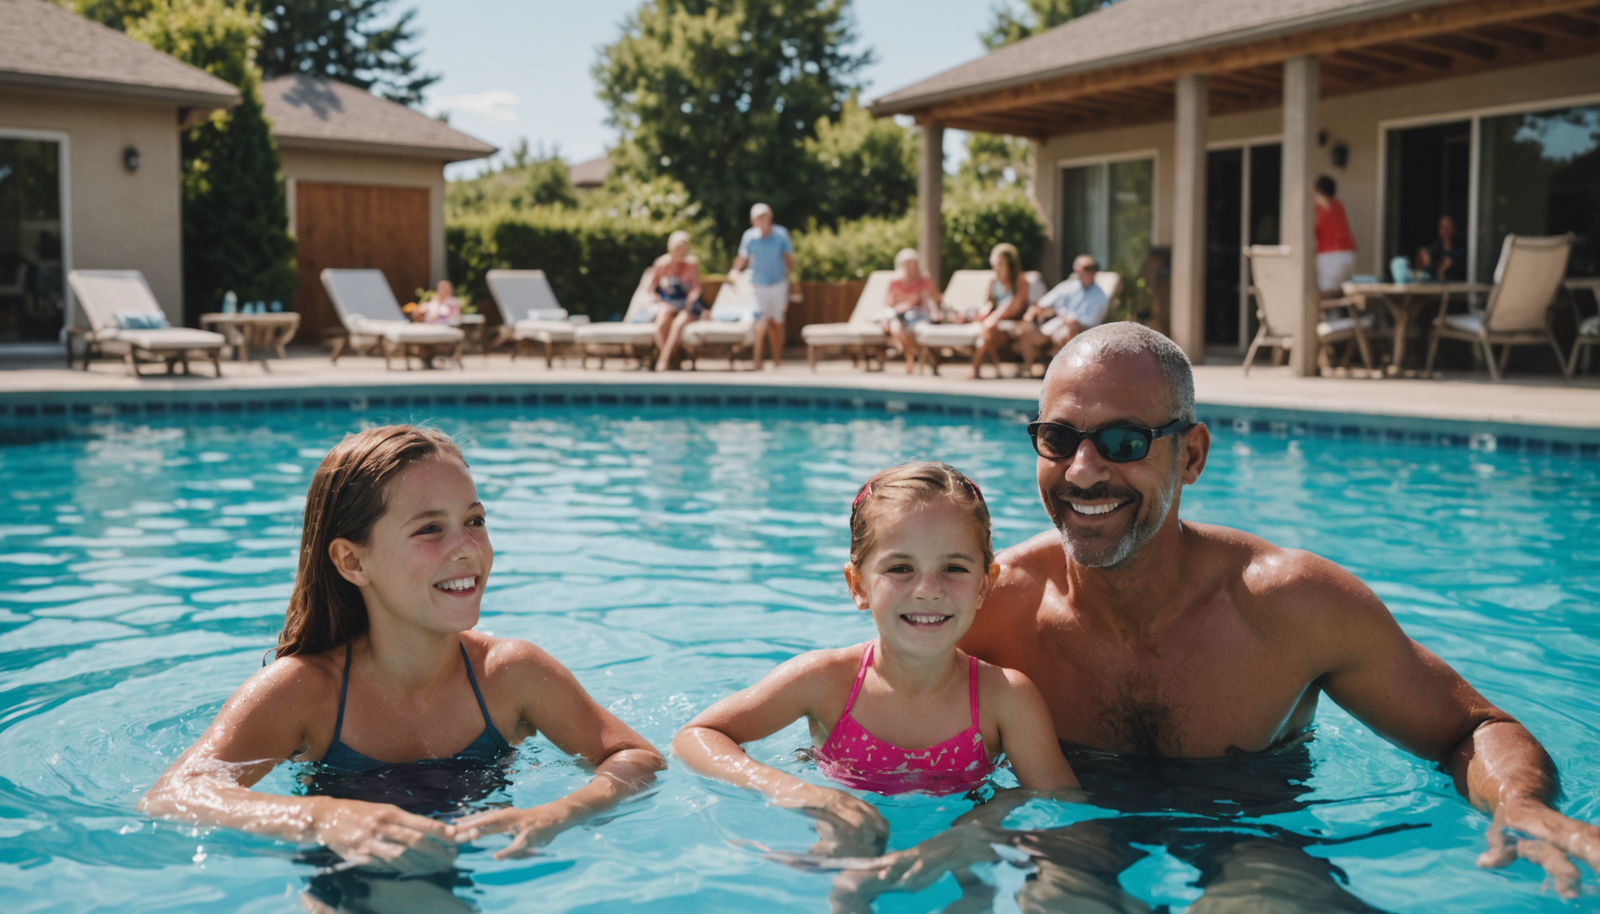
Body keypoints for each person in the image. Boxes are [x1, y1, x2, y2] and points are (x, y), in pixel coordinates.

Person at [840, 324, 1600, 907]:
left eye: (1124, 441)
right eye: (1059, 438)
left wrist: (1523, 804)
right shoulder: (991, 605)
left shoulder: (1291, 604)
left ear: (1192, 455)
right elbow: (859, 708)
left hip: (1255, 826)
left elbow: (1470, 726)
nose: (1083, 470)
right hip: (1070, 832)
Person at [139, 425, 665, 881]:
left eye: (475, 520)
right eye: (430, 528)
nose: (466, 547)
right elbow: (173, 795)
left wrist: (557, 814)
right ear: (352, 561)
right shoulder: (305, 691)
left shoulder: (509, 674)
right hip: (344, 881)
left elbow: (637, 759)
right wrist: (323, 818)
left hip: (469, 875)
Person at [673, 462, 1077, 841]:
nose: (928, 588)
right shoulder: (825, 681)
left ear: (986, 585)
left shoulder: (1004, 697)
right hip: (849, 846)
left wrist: (982, 823)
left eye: (954, 568)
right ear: (858, 586)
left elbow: (1063, 803)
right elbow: (697, 736)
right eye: (900, 568)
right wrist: (793, 789)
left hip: (959, 851)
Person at [1016, 254, 1109, 377]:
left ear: (1094, 272)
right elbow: (1042, 303)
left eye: (1089, 268)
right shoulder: (1068, 285)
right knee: (1024, 328)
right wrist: (1033, 314)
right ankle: (1031, 369)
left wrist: (1064, 318)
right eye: (1083, 268)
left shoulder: (1100, 296)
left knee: (1069, 330)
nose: (1085, 272)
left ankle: (1063, 373)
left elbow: (1086, 323)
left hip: (1077, 333)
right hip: (1053, 327)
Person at [731, 203, 795, 370]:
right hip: (758, 284)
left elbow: (788, 258)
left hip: (778, 282)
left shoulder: (781, 234)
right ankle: (757, 361)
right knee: (760, 321)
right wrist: (734, 271)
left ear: (769, 218)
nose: (761, 220)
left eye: (764, 217)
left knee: (776, 322)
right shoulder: (749, 237)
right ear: (753, 221)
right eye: (758, 218)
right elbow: (742, 258)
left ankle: (777, 360)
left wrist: (792, 280)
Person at [966, 243, 1029, 380]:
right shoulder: (993, 282)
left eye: (1000, 263)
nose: (996, 267)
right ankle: (987, 369)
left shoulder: (1020, 281)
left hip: (1013, 322)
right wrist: (978, 315)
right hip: (995, 323)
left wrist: (994, 317)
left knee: (987, 332)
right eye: (995, 263)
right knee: (986, 336)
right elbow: (989, 305)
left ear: (1010, 264)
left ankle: (978, 369)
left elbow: (1016, 306)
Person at [881, 249, 942, 374]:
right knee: (897, 328)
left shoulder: (924, 279)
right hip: (898, 315)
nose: (909, 266)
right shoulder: (895, 281)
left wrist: (918, 301)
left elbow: (935, 299)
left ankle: (911, 358)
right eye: (906, 263)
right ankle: (911, 356)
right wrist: (902, 305)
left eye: (911, 263)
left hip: (918, 315)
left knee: (910, 328)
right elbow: (888, 303)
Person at [650, 231, 704, 372]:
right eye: (679, 247)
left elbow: (696, 287)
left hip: (687, 305)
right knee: (662, 322)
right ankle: (675, 360)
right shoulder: (661, 264)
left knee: (677, 324)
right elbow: (652, 289)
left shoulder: (691, 264)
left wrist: (691, 299)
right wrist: (660, 301)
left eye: (684, 247)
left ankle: (664, 359)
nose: (682, 251)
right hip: (667, 303)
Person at [1314, 175, 1358, 297]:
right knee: (1341, 294)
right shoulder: (1339, 206)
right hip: (1348, 255)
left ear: (1317, 191)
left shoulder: (1321, 207)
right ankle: (1343, 315)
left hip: (1330, 255)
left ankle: (1331, 316)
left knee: (1326, 294)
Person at [1417, 214, 1467, 282]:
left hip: (1459, 286)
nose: (1445, 230)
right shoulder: (1434, 248)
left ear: (1454, 227)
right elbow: (1427, 269)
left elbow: (1465, 267)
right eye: (1442, 227)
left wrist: (1451, 263)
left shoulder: (1462, 246)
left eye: (1448, 226)